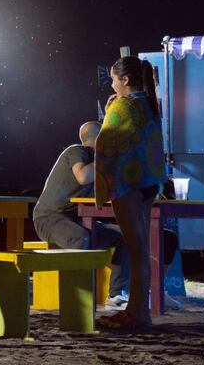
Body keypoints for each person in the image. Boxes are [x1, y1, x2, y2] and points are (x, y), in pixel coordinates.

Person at [95, 56, 168, 329]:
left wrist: (108, 112)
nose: (112, 85)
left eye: (114, 80)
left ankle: (138, 314)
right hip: (149, 182)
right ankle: (137, 309)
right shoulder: (149, 103)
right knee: (141, 250)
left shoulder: (123, 105)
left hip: (127, 183)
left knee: (136, 250)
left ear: (125, 80)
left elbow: (106, 143)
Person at [33, 121, 131, 306]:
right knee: (80, 238)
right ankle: (77, 300)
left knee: (125, 236)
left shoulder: (98, 163)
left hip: (78, 220)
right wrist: (106, 157)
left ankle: (116, 295)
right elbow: (83, 176)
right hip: (49, 218)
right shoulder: (77, 151)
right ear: (99, 138)